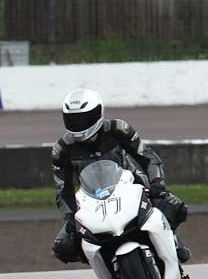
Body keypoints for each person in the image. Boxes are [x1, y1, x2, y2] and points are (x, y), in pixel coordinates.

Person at [51, 88, 190, 264]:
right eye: (73, 120)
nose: (79, 124)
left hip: (133, 186)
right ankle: (106, 265)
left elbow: (147, 157)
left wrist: (157, 182)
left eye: (84, 118)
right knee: (63, 246)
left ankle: (174, 244)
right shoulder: (62, 149)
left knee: (175, 207)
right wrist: (70, 217)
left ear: (98, 113)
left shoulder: (118, 129)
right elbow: (63, 189)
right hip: (93, 198)